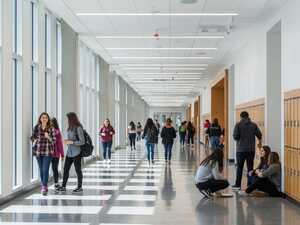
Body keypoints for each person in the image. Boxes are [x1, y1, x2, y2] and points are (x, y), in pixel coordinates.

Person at [232, 111, 262, 190]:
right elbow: (259, 135)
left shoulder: (238, 125)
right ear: (248, 116)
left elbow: (235, 137)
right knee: (250, 168)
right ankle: (250, 185)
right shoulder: (253, 125)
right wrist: (259, 143)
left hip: (240, 150)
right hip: (251, 150)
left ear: (241, 117)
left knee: (239, 168)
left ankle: (238, 185)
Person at [57, 112, 85, 193]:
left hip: (77, 153)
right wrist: (67, 141)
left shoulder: (79, 128)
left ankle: (79, 187)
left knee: (78, 170)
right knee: (65, 169)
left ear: (72, 119)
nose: (67, 120)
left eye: (68, 119)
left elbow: (82, 141)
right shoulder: (69, 128)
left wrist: (72, 142)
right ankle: (63, 186)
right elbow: (71, 139)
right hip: (69, 152)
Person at [31, 112, 56, 195]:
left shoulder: (51, 128)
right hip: (38, 151)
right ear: (40, 119)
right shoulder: (36, 128)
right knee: (41, 170)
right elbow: (32, 137)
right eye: (42, 117)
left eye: (45, 117)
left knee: (45, 169)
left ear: (48, 119)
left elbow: (54, 141)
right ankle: (44, 186)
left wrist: (48, 137)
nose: (44, 119)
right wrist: (34, 140)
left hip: (48, 152)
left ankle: (44, 187)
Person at [50, 117, 64, 189]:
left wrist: (62, 154)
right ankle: (55, 183)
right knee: (53, 168)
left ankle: (56, 183)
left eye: (51, 122)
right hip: (51, 154)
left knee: (54, 168)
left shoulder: (57, 132)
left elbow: (60, 144)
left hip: (55, 154)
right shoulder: (51, 131)